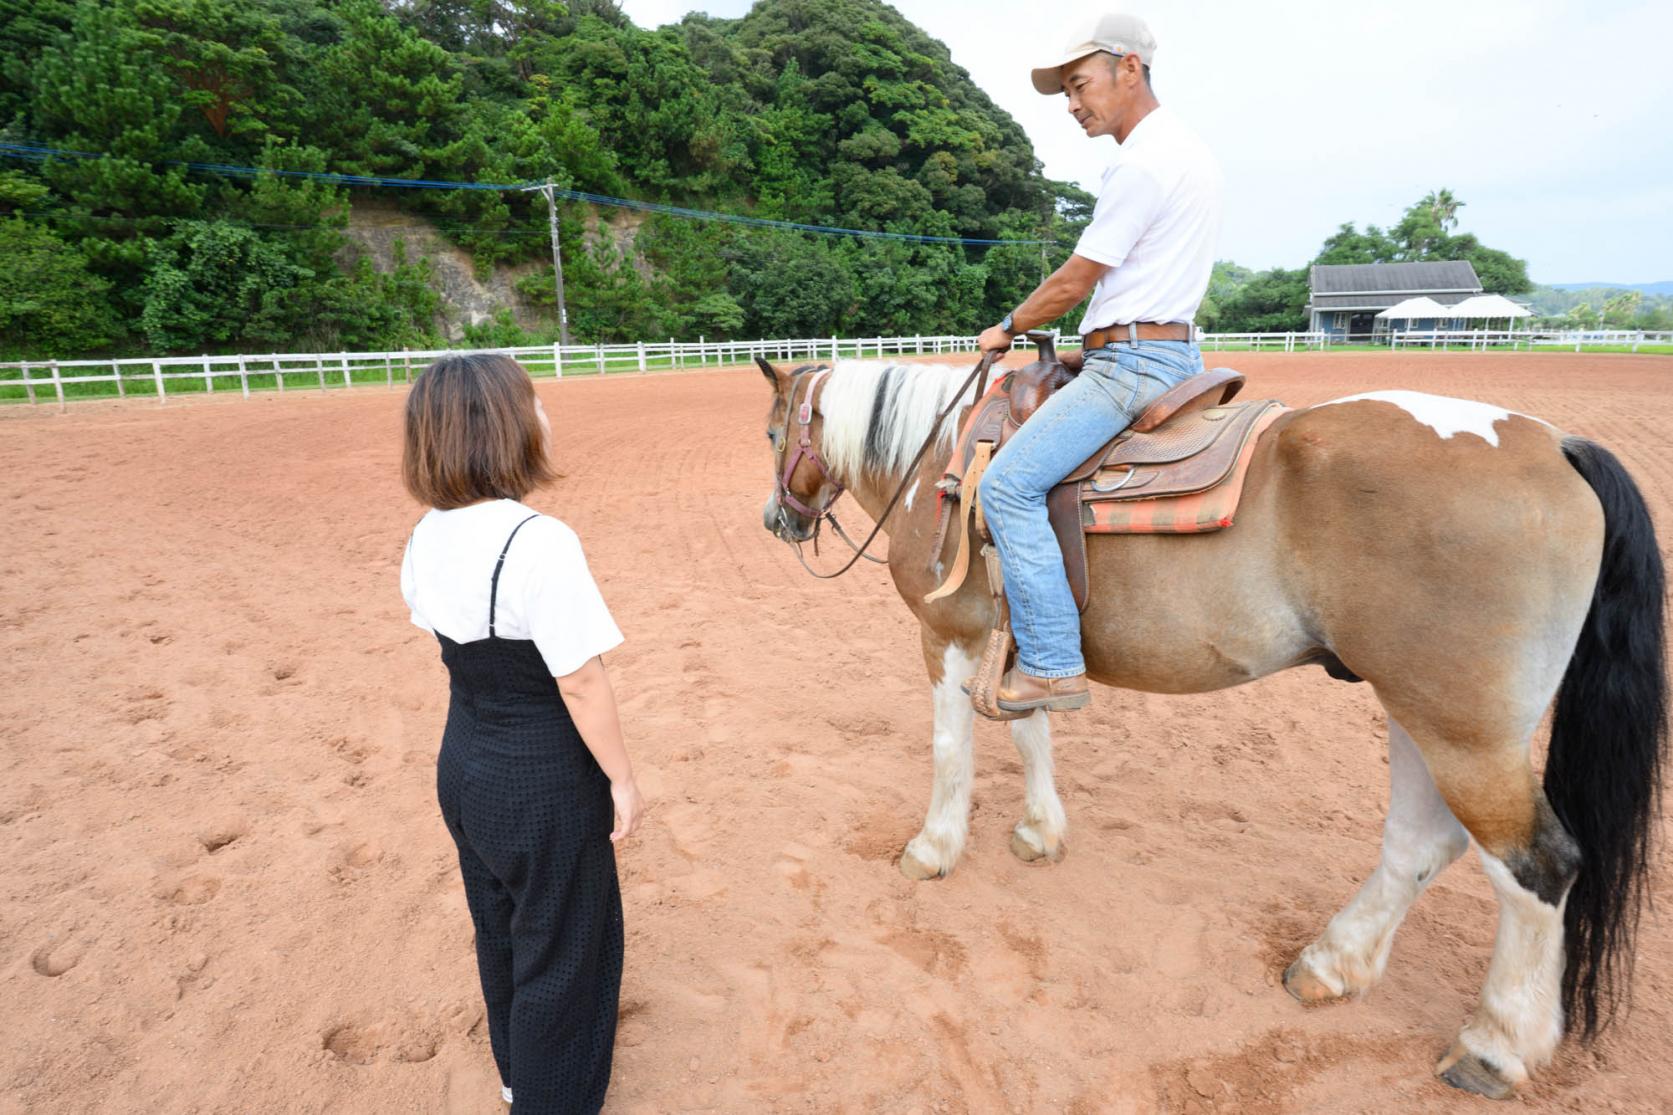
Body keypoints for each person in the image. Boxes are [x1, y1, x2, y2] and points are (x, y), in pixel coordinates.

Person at [400, 353, 645, 1113]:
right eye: (534, 402)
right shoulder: (538, 539)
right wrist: (622, 778)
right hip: (541, 777)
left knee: (499, 924)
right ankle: (550, 1098)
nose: (546, 416)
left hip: (465, 762)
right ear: (502, 427)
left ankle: (515, 1072)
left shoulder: (425, 533)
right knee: (565, 943)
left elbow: (449, 635)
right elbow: (579, 679)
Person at [973, 13, 1224, 716]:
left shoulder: (1141, 161)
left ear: (1129, 68)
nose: (1074, 104)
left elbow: (1075, 277)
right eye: (1065, 94)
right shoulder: (1190, 151)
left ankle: (1051, 662)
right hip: (1171, 351)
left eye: (1080, 85)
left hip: (1135, 366)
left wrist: (1007, 326)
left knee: (1008, 487)